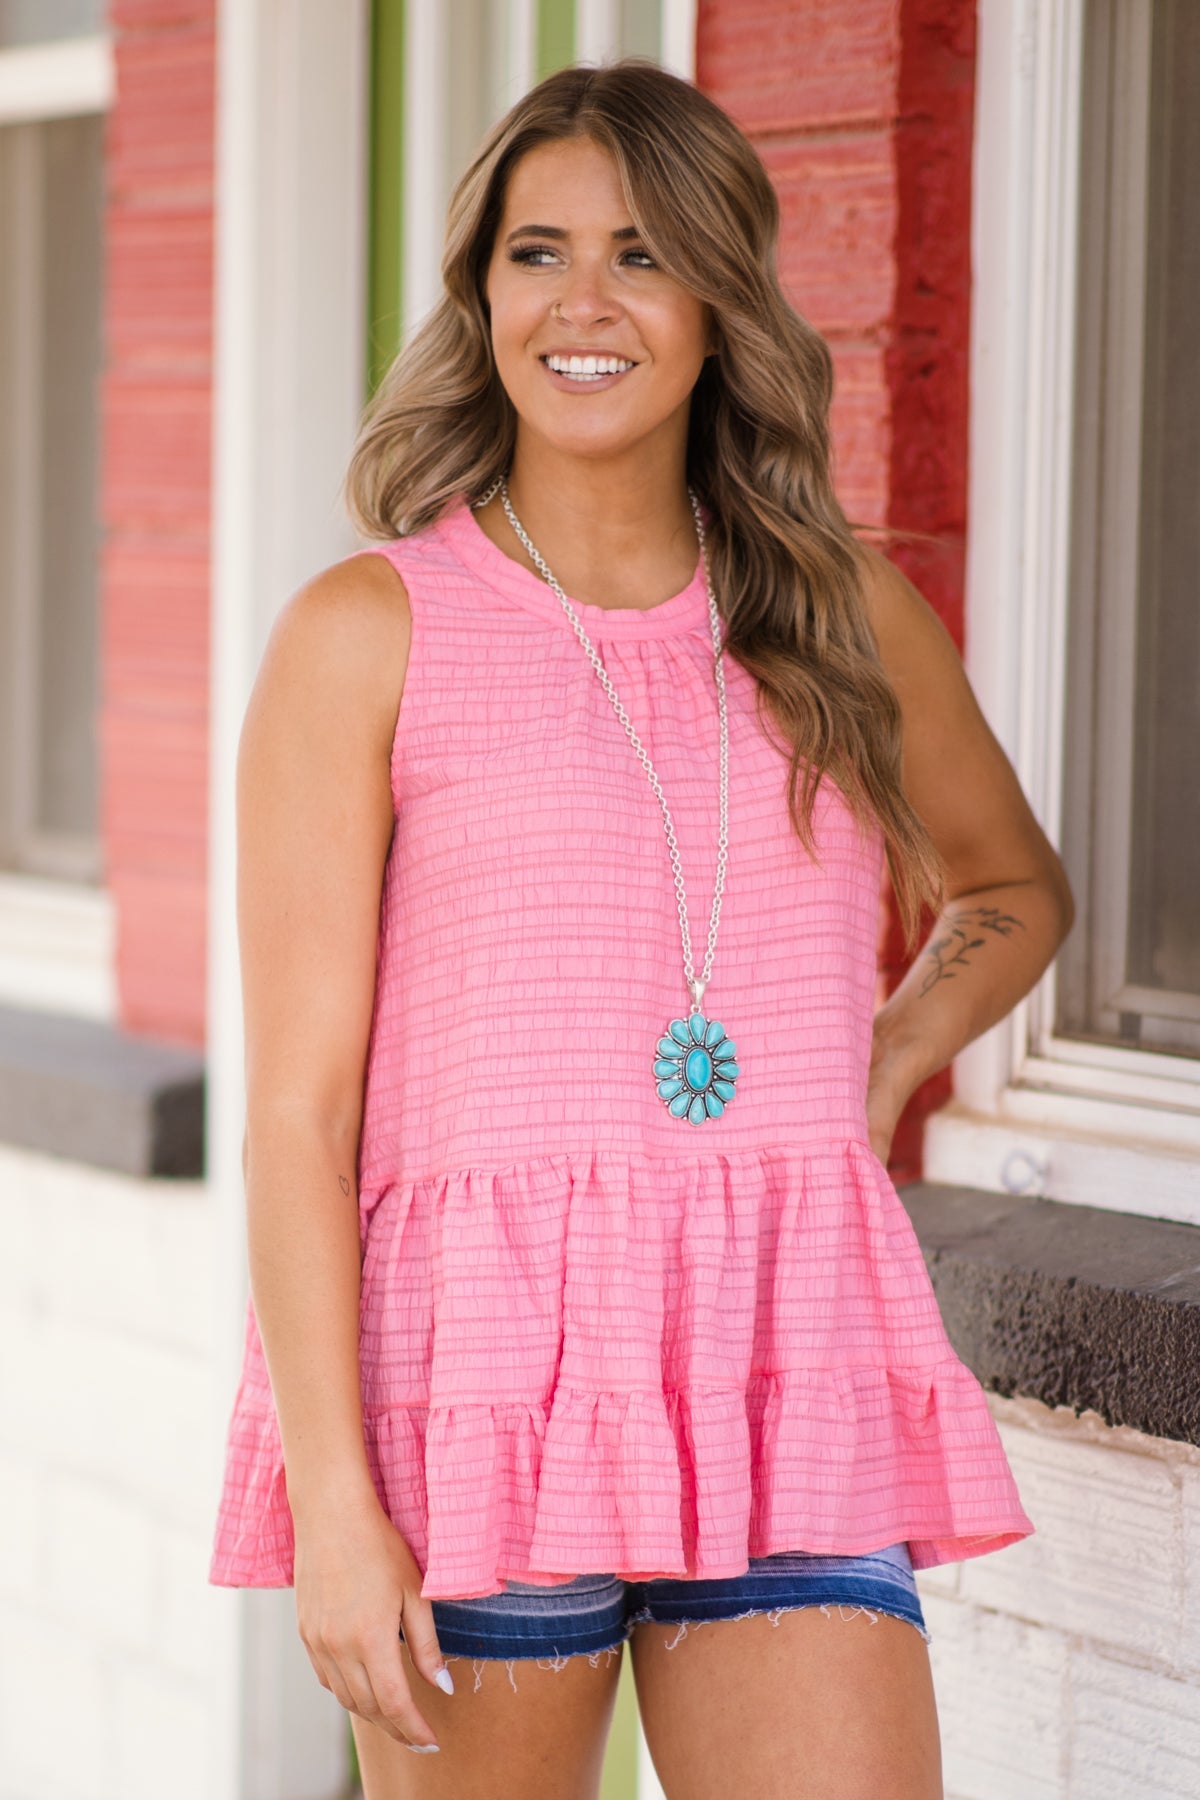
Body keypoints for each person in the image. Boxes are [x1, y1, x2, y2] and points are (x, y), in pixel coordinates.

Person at [208, 58, 1072, 1800]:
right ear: (483, 297)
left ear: (719, 299)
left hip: (787, 1364)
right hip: (484, 1387)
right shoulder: (368, 634)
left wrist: (881, 1057)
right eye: (538, 253)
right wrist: (335, 1512)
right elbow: (300, 1115)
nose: (584, 302)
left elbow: (1013, 887)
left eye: (642, 252)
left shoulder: (837, 617)